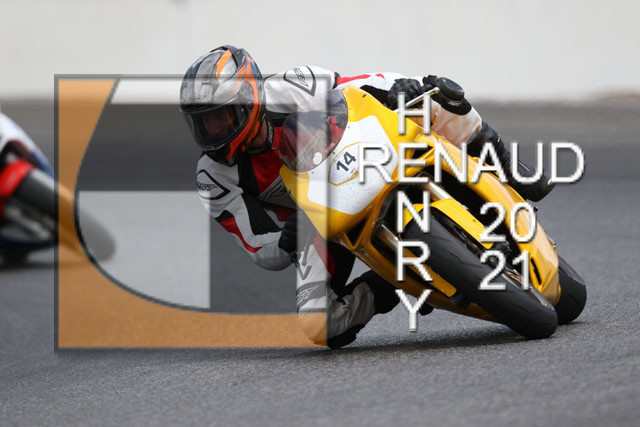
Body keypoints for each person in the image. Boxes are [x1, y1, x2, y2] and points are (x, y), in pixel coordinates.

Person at [179, 45, 554, 348]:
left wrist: (402, 88)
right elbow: (257, 245)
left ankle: (509, 167)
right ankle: (391, 285)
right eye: (202, 122)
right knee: (319, 325)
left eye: (220, 117)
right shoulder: (213, 177)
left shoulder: (293, 86)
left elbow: (357, 88)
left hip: (361, 157)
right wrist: (284, 240)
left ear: (249, 102)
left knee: (435, 97)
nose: (212, 131)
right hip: (319, 222)